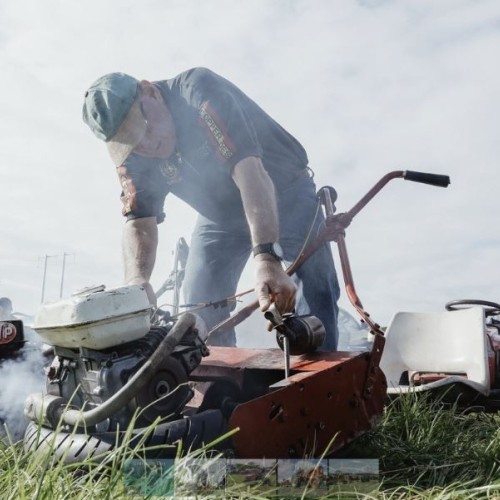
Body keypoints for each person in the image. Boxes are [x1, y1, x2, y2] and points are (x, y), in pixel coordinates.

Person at [82, 67, 340, 350]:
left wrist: (267, 258)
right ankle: (218, 374)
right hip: (220, 218)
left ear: (150, 92)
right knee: (198, 306)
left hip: (285, 193)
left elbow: (250, 172)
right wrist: (137, 282)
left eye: (143, 130)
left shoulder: (198, 92)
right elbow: (139, 221)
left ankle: (322, 367)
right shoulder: (134, 157)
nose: (146, 145)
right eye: (131, 143)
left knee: (316, 286)